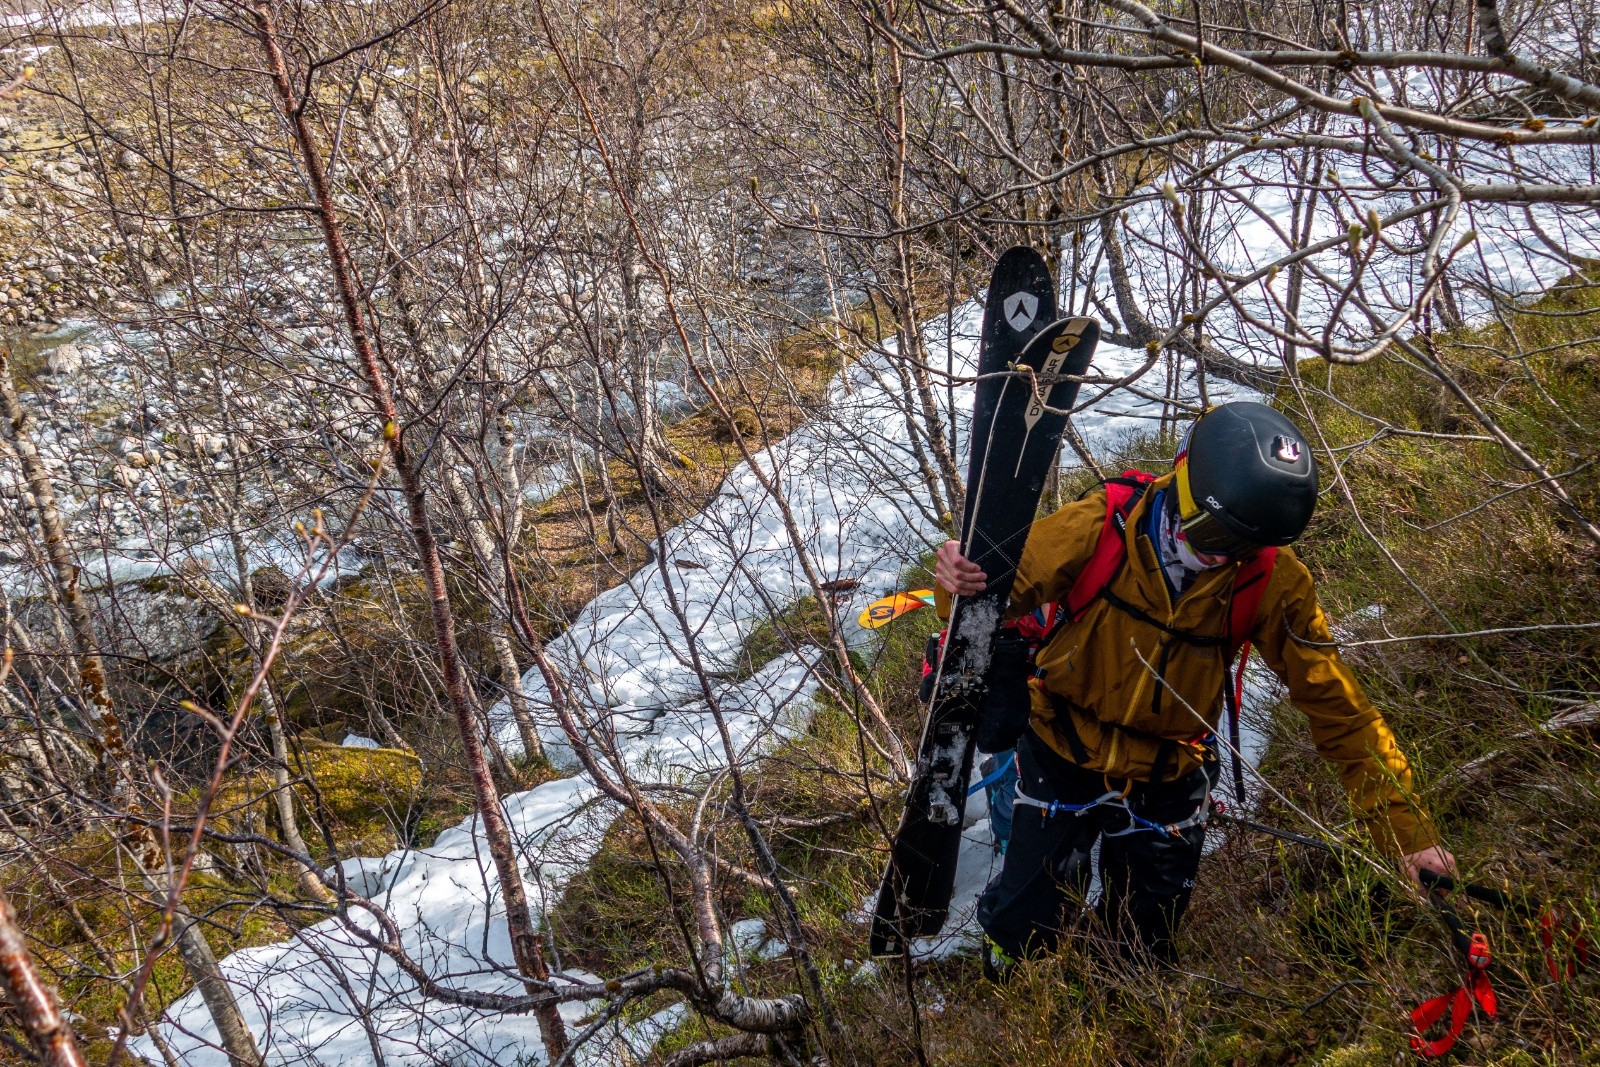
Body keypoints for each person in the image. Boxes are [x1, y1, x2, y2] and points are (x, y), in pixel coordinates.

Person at [933, 402, 1456, 975]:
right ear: (1182, 478)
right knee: (1027, 920)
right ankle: (1012, 974)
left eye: (1239, 544)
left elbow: (1339, 707)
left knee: (1143, 946)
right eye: (1209, 530)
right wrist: (958, 582)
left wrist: (1407, 834)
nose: (1216, 554)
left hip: (1171, 772)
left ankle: (1113, 1011)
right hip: (1063, 748)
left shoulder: (1273, 581)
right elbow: (990, 596)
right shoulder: (1103, 524)